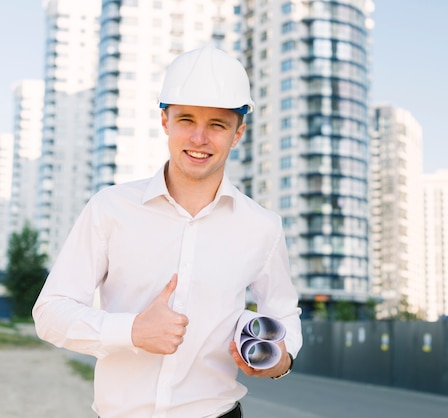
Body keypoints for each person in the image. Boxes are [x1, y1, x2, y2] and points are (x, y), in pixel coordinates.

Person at [33, 44, 302, 418]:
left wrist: (280, 363)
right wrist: (131, 332)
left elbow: (285, 312)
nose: (198, 138)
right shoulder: (110, 208)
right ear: (165, 122)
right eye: (187, 120)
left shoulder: (262, 227)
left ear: (238, 133)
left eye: (218, 125)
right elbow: (50, 313)